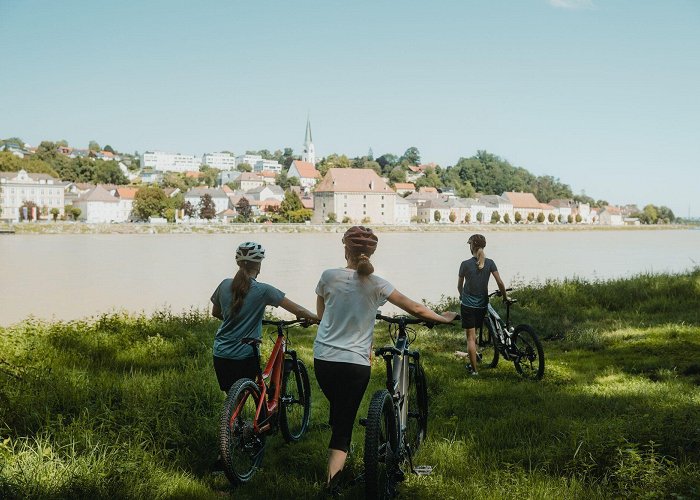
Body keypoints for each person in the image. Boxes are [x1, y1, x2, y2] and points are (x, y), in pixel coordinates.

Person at [314, 226, 457, 491]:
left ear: (345, 248)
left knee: (339, 408)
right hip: (354, 363)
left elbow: (322, 316)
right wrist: (442, 318)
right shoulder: (377, 283)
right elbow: (414, 307)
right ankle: (332, 486)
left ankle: (339, 431)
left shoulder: (328, 276)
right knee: (343, 427)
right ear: (371, 252)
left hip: (323, 359)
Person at [210, 241, 318, 394]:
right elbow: (299, 310)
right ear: (258, 265)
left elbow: (216, 313)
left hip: (220, 354)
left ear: (238, 263)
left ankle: (232, 418)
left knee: (233, 396)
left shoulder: (224, 285)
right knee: (250, 391)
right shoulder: (263, 290)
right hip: (245, 355)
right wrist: (318, 318)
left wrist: (237, 320)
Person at [457, 234, 508, 376]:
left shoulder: (465, 264)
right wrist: (505, 297)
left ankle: (474, 371)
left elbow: (459, 286)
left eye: (469, 245)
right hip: (482, 306)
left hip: (468, 306)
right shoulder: (490, 263)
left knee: (470, 339)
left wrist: (462, 296)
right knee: (475, 336)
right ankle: (476, 356)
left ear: (472, 246)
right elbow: (500, 283)